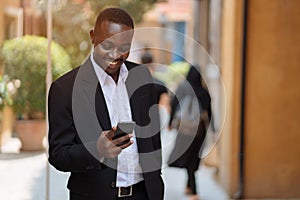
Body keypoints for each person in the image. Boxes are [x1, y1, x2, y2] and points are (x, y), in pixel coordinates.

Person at [48, 7, 164, 200]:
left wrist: (156, 183)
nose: (115, 55)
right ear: (93, 36)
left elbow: (153, 139)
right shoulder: (65, 88)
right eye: (107, 45)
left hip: (144, 194)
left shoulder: (142, 76)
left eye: (124, 48)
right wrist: (97, 150)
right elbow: (58, 155)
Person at [167, 65, 212, 200]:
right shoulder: (203, 91)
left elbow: (174, 104)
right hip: (199, 130)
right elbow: (209, 111)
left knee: (187, 156)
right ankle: (191, 188)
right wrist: (212, 128)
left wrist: (170, 123)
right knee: (193, 157)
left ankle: (191, 188)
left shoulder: (182, 88)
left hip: (184, 130)